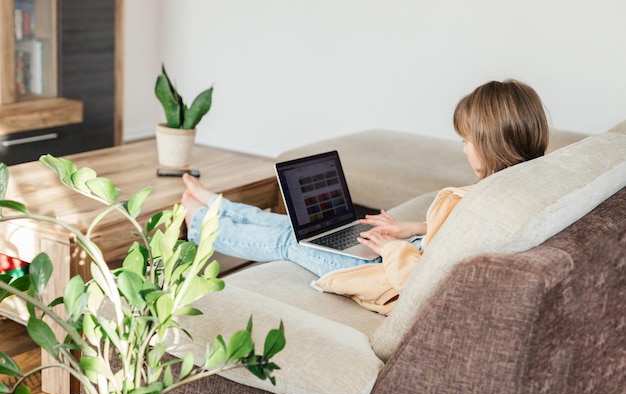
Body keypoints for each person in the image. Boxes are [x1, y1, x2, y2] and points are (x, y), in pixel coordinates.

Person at [181, 79, 549, 314]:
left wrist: (390, 249)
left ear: (491, 143)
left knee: (287, 240)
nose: (463, 149)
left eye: (466, 141)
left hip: (383, 275)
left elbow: (421, 283)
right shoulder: (515, 189)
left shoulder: (487, 202)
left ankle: (197, 220)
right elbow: (458, 234)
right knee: (297, 225)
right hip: (405, 253)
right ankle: (217, 205)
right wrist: (412, 229)